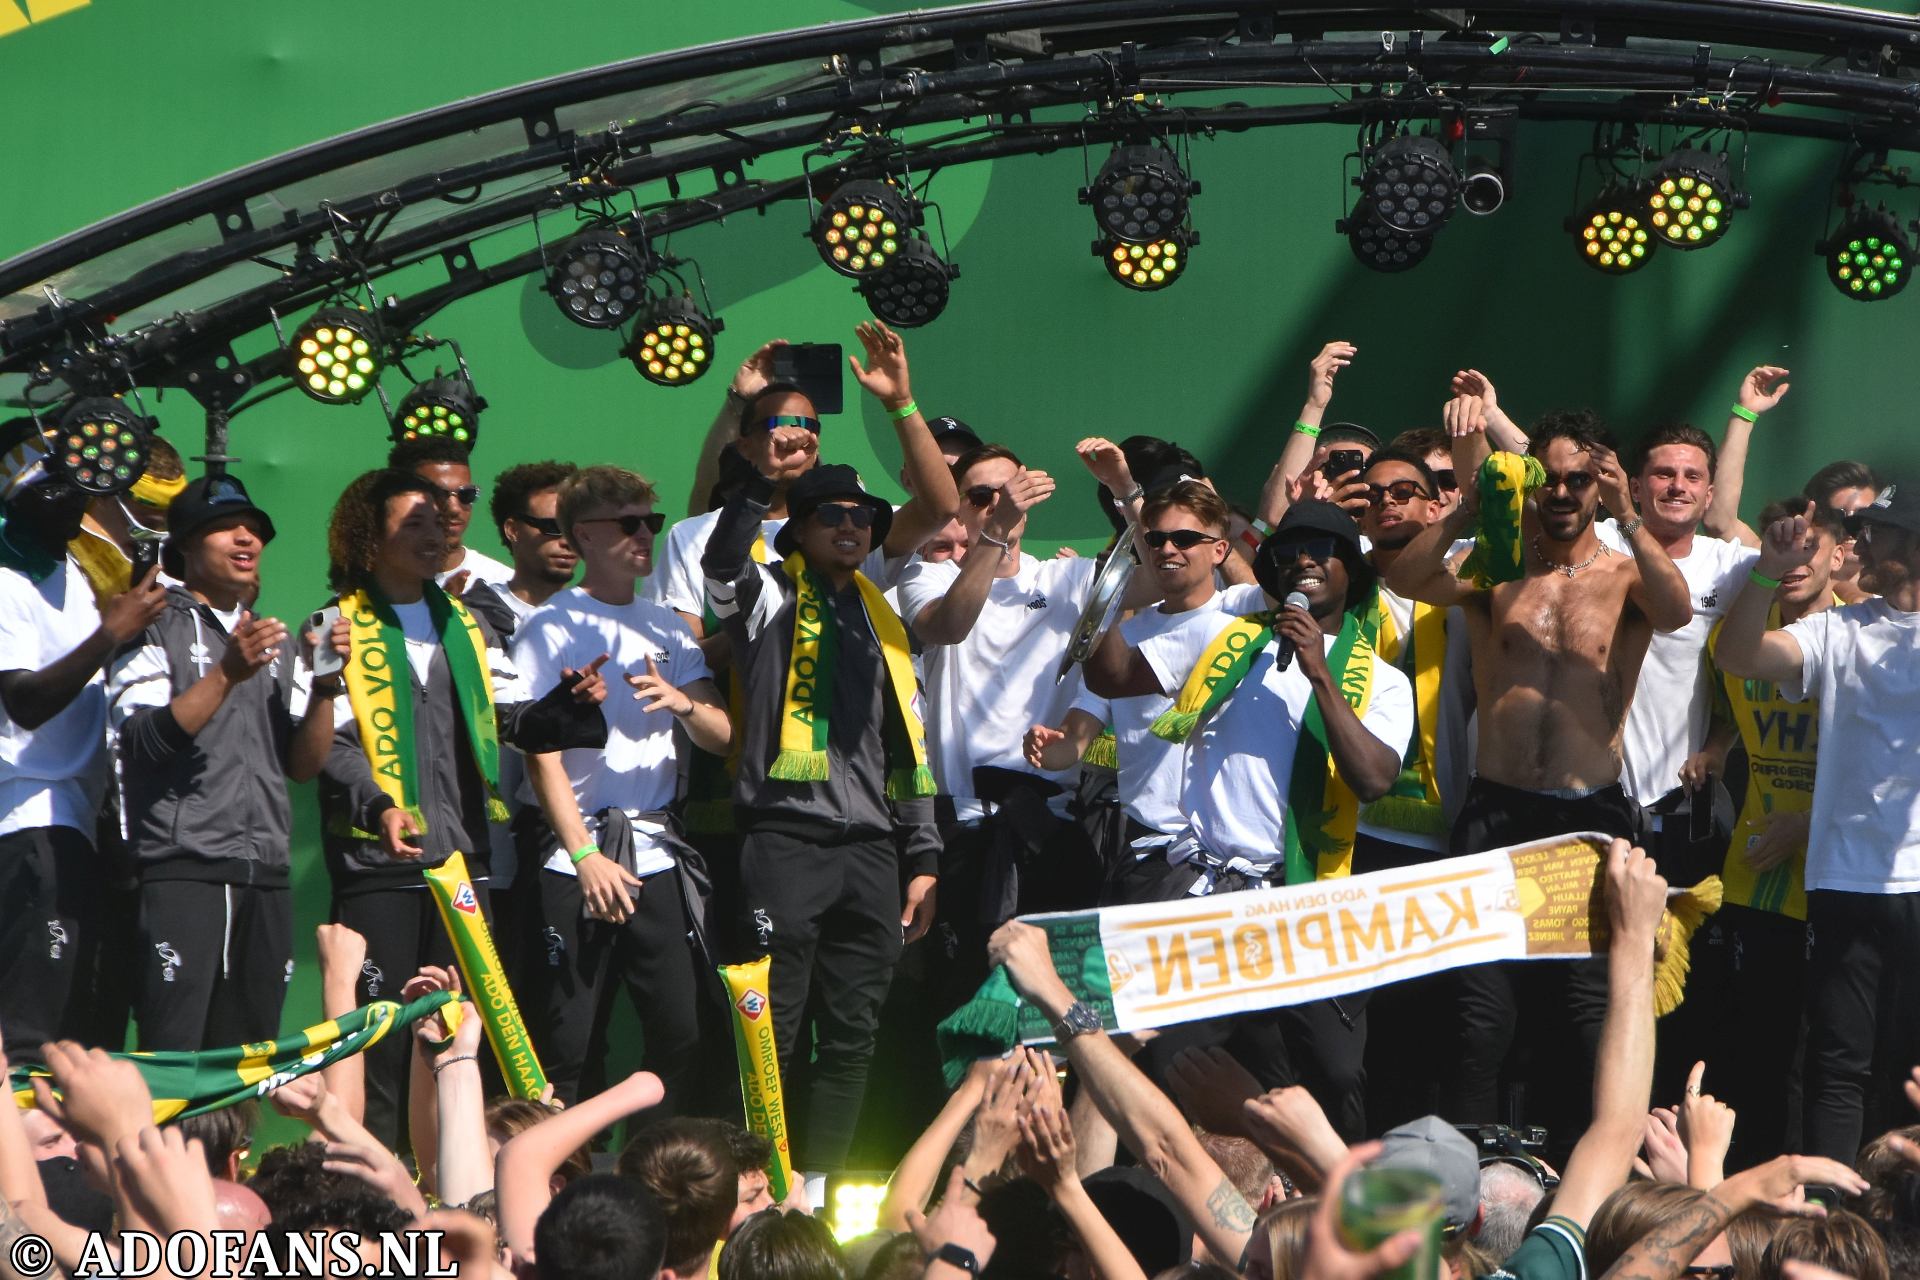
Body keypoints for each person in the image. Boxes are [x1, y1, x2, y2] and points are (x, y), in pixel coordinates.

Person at [1384, 399, 1691, 1140]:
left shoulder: (1626, 575)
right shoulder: (1495, 567)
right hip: (1497, 814)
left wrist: (1630, 516)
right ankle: (1477, 1189)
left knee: (1588, 1015)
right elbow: (1406, 578)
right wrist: (1470, 510)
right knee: (1478, 1018)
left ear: (1600, 485)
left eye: (1579, 480)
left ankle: (1591, 1188)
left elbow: (1678, 611)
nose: (1561, 493)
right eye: (1548, 479)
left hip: (1591, 819)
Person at [1083, 500, 1412, 1138]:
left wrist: (1319, 672)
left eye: (1323, 549)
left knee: (1334, 1074)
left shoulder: (1381, 680)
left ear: (1353, 571)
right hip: (1210, 896)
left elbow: (1372, 778)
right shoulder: (1229, 639)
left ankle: (1326, 1204)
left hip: (1307, 902)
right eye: (1289, 550)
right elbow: (1113, 674)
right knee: (1180, 1066)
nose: (1304, 561)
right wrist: (1107, 597)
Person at [309, 467, 603, 1146]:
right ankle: (378, 1195)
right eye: (413, 521)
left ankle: (452, 1189)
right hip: (378, 866)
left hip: (461, 866)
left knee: (455, 1037)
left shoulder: (469, 625)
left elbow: (509, 719)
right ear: (368, 536)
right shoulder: (332, 624)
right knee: (381, 1038)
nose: (436, 530)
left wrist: (566, 707)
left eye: (440, 521)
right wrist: (381, 804)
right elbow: (331, 744)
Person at [701, 459, 941, 1187]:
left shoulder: (884, 615)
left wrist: (923, 850)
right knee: (773, 1026)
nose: (851, 525)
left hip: (872, 851)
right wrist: (749, 490)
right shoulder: (767, 596)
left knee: (852, 1036)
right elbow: (719, 568)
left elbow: (907, 740)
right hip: (786, 842)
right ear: (798, 531)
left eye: (862, 516)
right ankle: (760, 1188)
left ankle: (819, 1190)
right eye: (832, 514)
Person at [1712, 484, 1920, 1164]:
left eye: (1880, 533)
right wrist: (1765, 572)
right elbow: (1739, 658)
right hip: (1845, 885)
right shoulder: (1841, 629)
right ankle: (1831, 1230)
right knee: (1838, 1067)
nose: (1860, 545)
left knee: (1908, 1072)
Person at [515, 465, 730, 1110]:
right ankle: (558, 1194)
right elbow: (539, 754)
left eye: (651, 523)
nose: (645, 536)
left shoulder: (666, 627)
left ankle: (651, 1185)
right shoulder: (548, 626)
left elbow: (724, 735)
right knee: (571, 1043)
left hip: (656, 853)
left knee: (681, 1034)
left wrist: (681, 704)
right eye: (628, 523)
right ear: (583, 535)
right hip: (572, 857)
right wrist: (585, 857)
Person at [105, 474, 338, 1050]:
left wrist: (328, 687)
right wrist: (227, 673)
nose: (246, 537)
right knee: (176, 1052)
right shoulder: (153, 623)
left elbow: (301, 766)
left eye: (255, 529)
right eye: (223, 526)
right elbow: (144, 743)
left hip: (266, 872)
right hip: (183, 869)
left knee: (250, 1058)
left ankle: (230, 1148)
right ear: (183, 544)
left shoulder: (271, 640)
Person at [897, 439, 1100, 1005]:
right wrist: (992, 532)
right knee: (970, 1010)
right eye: (980, 496)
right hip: (967, 829)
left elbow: (1157, 587)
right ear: (958, 506)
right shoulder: (928, 577)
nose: (994, 505)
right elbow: (951, 626)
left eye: (1006, 494)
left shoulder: (1069, 578)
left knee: (1065, 1010)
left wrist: (1127, 489)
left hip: (1053, 826)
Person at [1683, 496, 1847, 1163]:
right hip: (1756, 880)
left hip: (1839, 879)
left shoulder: (1859, 637)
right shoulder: (1739, 637)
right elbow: (1729, 694)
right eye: (1785, 549)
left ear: (1842, 555)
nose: (1797, 563)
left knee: (1827, 1061)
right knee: (1757, 1056)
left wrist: (1808, 824)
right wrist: (1717, 748)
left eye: (1813, 548)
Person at [0, 419, 166, 1051]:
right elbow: (25, 701)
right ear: (17, 497)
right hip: (28, 818)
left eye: (79, 487)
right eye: (55, 488)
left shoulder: (68, 569)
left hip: (78, 819)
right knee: (31, 1030)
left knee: (78, 1026)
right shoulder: (5, 577)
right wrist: (110, 635)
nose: (75, 499)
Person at [462, 460, 578, 979]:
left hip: (581, 846)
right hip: (493, 849)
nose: (567, 540)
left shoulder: (604, 616)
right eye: (551, 527)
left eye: (576, 527)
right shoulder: (472, 616)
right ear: (512, 530)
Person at [387, 436, 513, 590]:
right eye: (438, 494)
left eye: (466, 494)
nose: (454, 509)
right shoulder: (363, 590)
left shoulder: (500, 584)